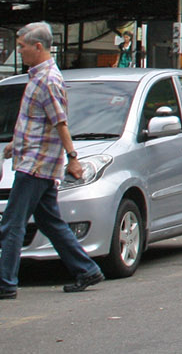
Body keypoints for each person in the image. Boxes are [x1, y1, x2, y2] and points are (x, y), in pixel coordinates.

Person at [1, 22, 105, 298]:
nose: (19, 51)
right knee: (49, 222)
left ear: (38, 47)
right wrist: (16, 143)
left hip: (36, 164)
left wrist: (73, 158)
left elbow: (60, 122)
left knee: (12, 223)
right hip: (36, 160)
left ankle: (5, 283)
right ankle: (86, 269)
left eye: (22, 46)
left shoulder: (48, 79)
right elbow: (40, 121)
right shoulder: (39, 77)